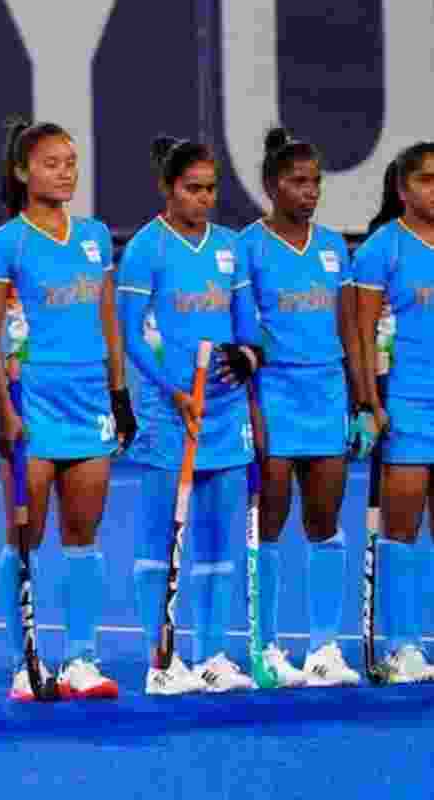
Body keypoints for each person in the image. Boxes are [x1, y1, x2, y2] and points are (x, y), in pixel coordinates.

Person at [0, 117, 133, 701]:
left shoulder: (95, 236)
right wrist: (3, 407)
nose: (65, 172)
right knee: (26, 534)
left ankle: (79, 659)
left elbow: (107, 322)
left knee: (83, 535)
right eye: (51, 163)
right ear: (23, 172)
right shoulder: (6, 244)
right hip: (32, 405)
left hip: (89, 399)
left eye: (71, 161)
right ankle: (25, 660)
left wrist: (119, 395)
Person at [117, 136, 257, 695]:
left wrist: (247, 357)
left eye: (210, 189)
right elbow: (131, 334)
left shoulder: (229, 246)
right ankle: (161, 656)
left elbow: (247, 328)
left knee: (220, 538)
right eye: (192, 189)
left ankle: (214, 654)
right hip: (168, 410)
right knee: (159, 537)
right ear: (168, 189)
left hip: (224, 412)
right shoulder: (147, 248)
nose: (203, 199)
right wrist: (172, 389)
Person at [232, 127, 370, 688]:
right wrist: (253, 411)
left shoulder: (335, 246)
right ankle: (265, 648)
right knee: (270, 520)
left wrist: (363, 399)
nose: (310, 191)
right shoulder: (248, 246)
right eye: (297, 181)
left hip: (328, 395)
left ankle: (323, 648)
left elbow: (349, 330)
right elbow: (243, 334)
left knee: (325, 520)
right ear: (271, 186)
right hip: (274, 395)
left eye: (315, 181)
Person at [353, 141, 434, 683]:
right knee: (401, 530)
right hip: (407, 403)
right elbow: (361, 337)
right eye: (427, 179)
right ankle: (404, 646)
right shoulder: (383, 249)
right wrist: (368, 402)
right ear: (404, 189)